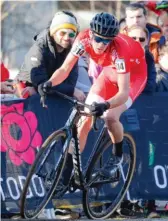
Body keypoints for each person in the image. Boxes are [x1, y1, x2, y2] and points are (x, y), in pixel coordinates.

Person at [38, 12, 147, 194]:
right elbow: (65, 69)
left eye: (106, 41)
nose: (101, 44)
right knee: (84, 120)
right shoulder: (83, 40)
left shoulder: (120, 52)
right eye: (98, 38)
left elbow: (122, 93)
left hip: (133, 78)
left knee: (111, 116)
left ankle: (117, 154)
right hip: (108, 74)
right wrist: (49, 83)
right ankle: (68, 171)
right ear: (91, 34)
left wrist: (105, 105)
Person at [15, 11, 85, 101]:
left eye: (71, 34)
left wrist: (71, 90)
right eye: (62, 33)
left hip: (47, 92)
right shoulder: (39, 48)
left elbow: (70, 83)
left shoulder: (72, 51)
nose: (67, 37)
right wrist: (72, 91)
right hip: (26, 90)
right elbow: (41, 83)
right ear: (53, 32)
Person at [127, 25, 156, 93]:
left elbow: (150, 86)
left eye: (141, 39)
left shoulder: (149, 58)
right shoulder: (118, 54)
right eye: (133, 38)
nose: (137, 41)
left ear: (147, 42)